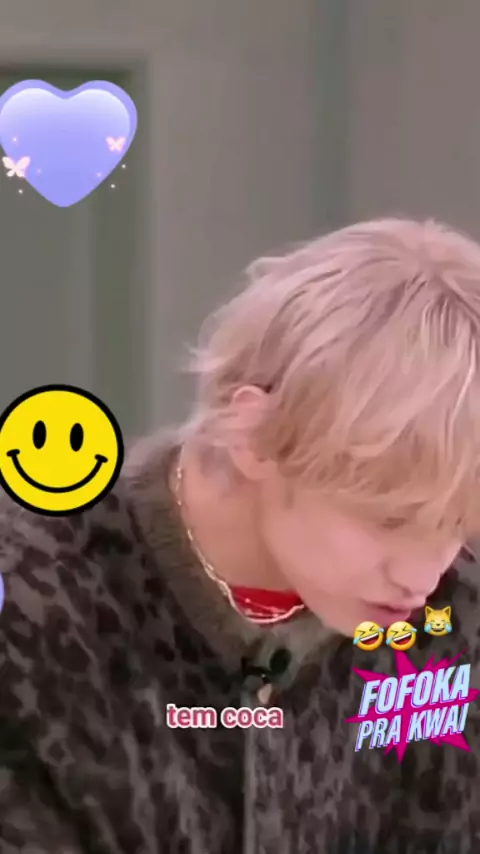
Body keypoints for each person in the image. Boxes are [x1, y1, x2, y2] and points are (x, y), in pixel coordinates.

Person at [1, 217, 480, 854]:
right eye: (388, 519)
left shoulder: (455, 620)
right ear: (254, 434)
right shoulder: (30, 601)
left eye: (456, 525)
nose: (422, 577)